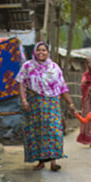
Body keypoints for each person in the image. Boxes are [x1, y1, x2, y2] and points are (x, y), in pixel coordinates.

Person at [15, 42, 76, 172]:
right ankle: (40, 161)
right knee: (37, 132)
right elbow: (21, 83)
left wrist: (70, 104)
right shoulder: (28, 66)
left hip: (52, 105)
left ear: (48, 52)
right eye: (39, 50)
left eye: (44, 50)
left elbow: (63, 88)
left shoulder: (54, 67)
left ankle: (54, 161)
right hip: (34, 105)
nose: (41, 52)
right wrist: (23, 100)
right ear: (34, 52)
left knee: (53, 131)